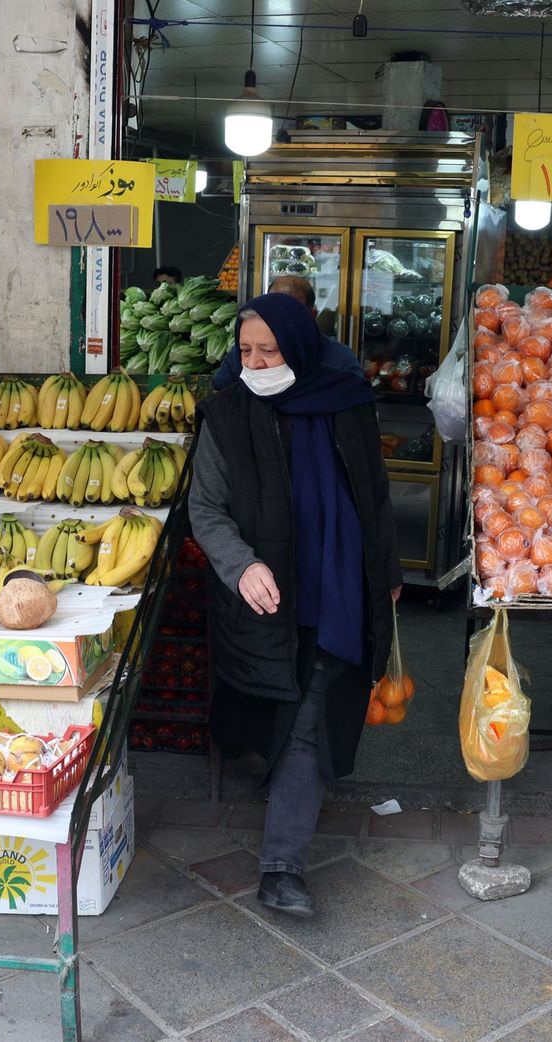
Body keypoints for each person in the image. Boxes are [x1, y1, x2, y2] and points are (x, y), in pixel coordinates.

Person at [189, 292, 401, 918]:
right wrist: (241, 563)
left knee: (309, 718)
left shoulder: (348, 402)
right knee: (283, 710)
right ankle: (285, 818)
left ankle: (282, 867)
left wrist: (385, 570)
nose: (254, 364)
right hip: (268, 594)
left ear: (301, 348)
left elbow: (376, 494)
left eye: (268, 351)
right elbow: (207, 509)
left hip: (338, 590)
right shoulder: (226, 416)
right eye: (245, 352)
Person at [212, 276, 361, 391]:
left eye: (269, 351)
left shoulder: (340, 359)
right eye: (271, 308)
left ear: (312, 314)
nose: (254, 362)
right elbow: (220, 389)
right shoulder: (242, 354)